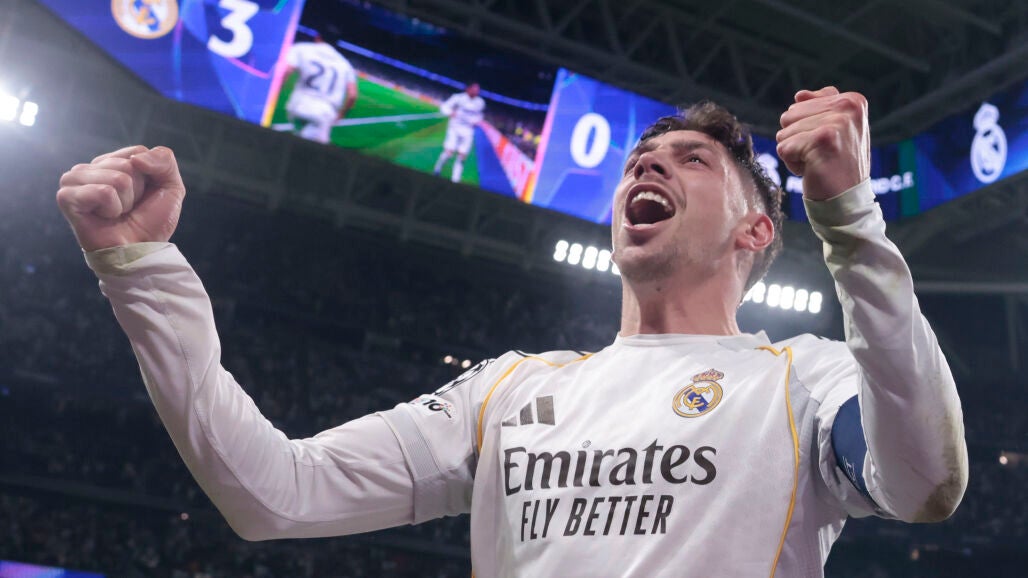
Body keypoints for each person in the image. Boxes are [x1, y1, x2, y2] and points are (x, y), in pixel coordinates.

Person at [56, 87, 967, 577]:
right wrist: (142, 273)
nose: (649, 166)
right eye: (642, 160)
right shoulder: (509, 390)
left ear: (755, 231)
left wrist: (850, 219)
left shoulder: (803, 378)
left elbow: (927, 480)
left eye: (692, 160)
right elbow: (274, 493)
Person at [282, 33, 358, 144]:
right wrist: (342, 113)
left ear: (318, 37)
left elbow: (286, 70)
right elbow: (352, 95)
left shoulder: (302, 48)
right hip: (323, 112)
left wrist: (275, 92)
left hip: (298, 104)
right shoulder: (345, 65)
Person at [432, 83, 485, 183]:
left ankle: (456, 179)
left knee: (462, 156)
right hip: (454, 128)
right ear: (468, 89)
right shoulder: (458, 97)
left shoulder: (480, 102)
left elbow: (479, 115)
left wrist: (477, 121)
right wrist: (450, 112)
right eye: (474, 89)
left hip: (468, 131)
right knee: (449, 152)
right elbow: (444, 107)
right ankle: (437, 169)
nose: (476, 92)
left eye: (478, 90)